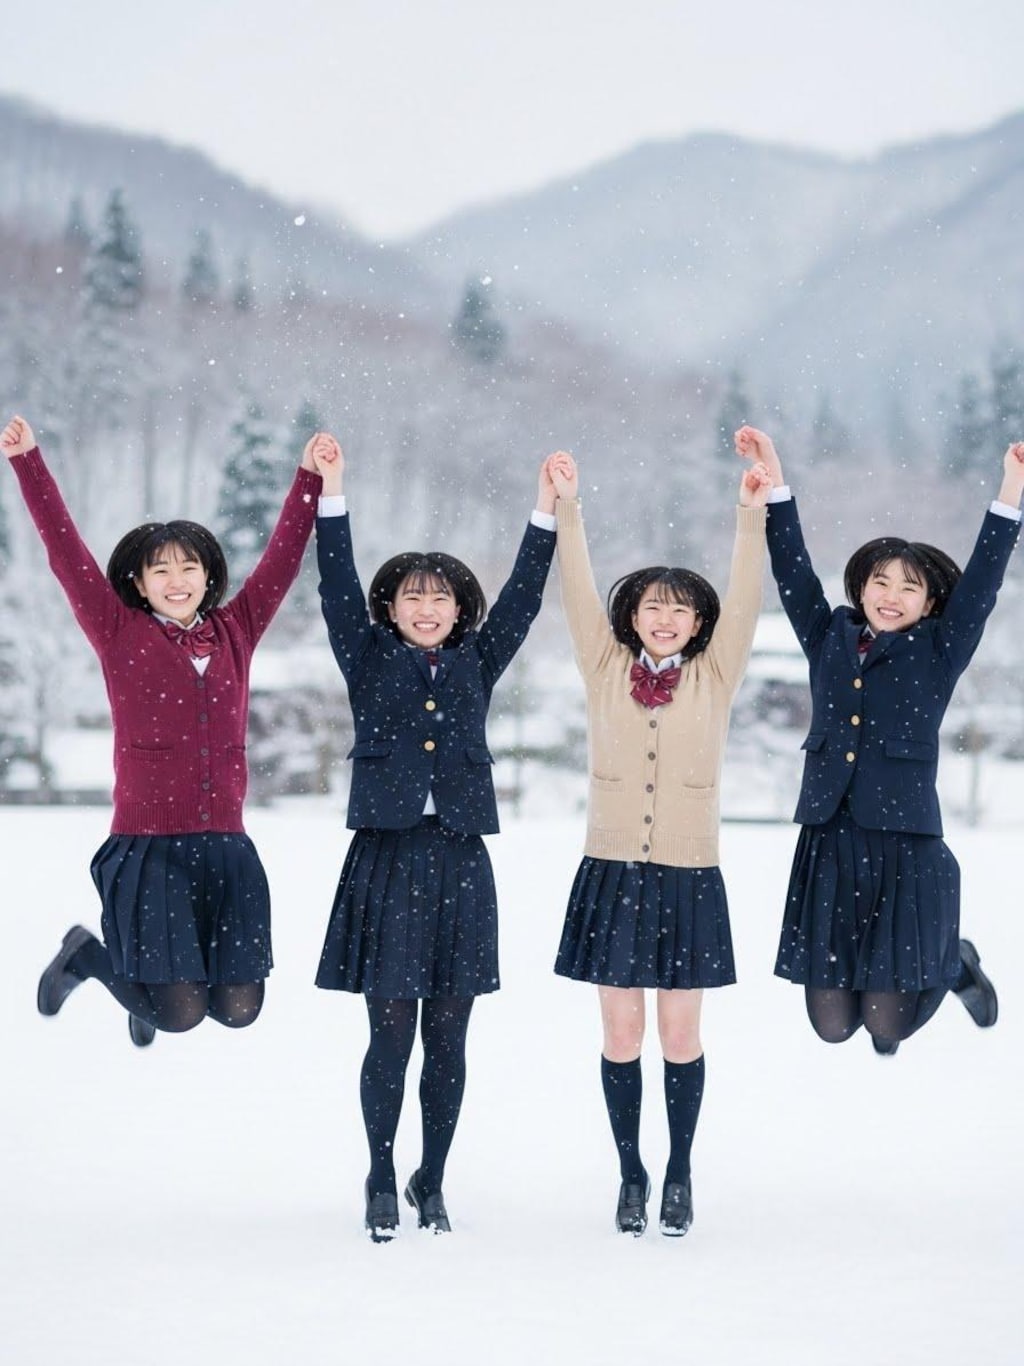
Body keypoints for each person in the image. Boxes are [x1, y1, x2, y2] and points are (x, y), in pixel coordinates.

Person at [3, 413, 322, 1047]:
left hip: (227, 847)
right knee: (179, 1013)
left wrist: (309, 479)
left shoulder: (237, 630)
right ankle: (86, 957)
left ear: (208, 575)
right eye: (160, 571)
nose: (177, 581)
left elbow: (284, 557)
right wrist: (28, 462)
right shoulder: (118, 632)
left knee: (238, 1008)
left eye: (188, 568)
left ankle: (141, 990)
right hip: (151, 846)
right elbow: (65, 552)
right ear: (139, 583)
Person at [309, 433, 559, 1242]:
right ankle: (381, 1173)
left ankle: (433, 1178)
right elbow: (337, 583)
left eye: (441, 597)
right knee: (390, 1035)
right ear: (393, 608)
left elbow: (524, 594)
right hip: (385, 857)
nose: (426, 608)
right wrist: (333, 489)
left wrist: (545, 511)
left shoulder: (478, 661)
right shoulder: (366, 653)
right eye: (413, 597)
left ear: (460, 610)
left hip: (458, 861)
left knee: (448, 1038)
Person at [734, 424, 1024, 1057]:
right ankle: (928, 967)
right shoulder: (828, 635)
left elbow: (983, 583)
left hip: (905, 846)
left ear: (929, 602)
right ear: (861, 586)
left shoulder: (941, 650)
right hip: (832, 838)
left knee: (887, 1026)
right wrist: (775, 476)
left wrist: (1011, 492)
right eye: (881, 583)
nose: (892, 597)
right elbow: (793, 572)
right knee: (834, 1026)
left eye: (909, 588)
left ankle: (954, 966)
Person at [548, 450, 771, 1237]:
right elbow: (575, 592)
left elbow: (747, 595)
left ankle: (678, 1169)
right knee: (621, 1036)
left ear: (699, 622)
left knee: (680, 1036)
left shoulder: (716, 674)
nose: (666, 618)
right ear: (632, 615)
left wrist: (752, 516)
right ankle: (630, 1173)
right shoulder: (603, 666)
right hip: (612, 872)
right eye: (651, 606)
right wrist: (567, 510)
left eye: (680, 609)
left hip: (687, 875)